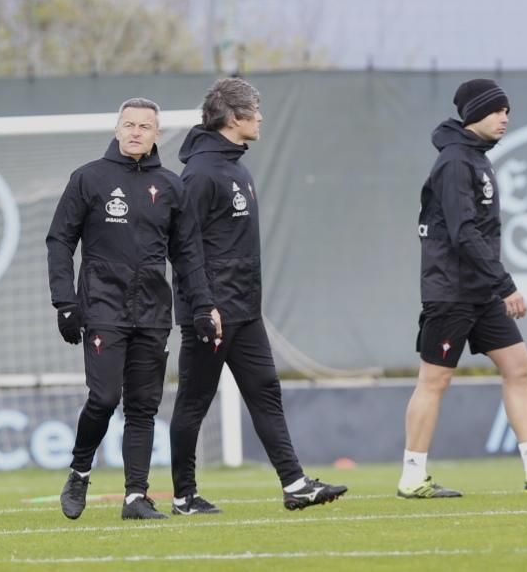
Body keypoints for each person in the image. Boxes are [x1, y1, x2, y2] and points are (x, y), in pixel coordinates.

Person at [398, 79, 527, 498]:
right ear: (474, 114)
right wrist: (505, 285)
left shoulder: (476, 158)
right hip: (451, 291)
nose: (505, 118)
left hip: (479, 291)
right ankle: (412, 476)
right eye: (497, 110)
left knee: (518, 366)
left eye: (508, 111)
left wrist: (493, 286)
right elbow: (463, 234)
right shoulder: (454, 162)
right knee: (434, 381)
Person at [168, 77, 347, 515]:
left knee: (266, 392)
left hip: (245, 312)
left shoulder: (236, 168)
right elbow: (185, 248)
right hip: (212, 313)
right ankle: (183, 496)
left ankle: (295, 484)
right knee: (194, 402)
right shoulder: (201, 174)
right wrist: (204, 307)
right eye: (255, 109)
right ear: (233, 117)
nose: (261, 117)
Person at [46, 97, 222, 520]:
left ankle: (135, 497)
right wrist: (65, 302)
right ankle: (80, 471)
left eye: (145, 125)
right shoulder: (89, 178)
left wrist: (202, 306)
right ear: (117, 129)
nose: (137, 131)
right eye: (129, 124)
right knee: (104, 397)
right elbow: (59, 240)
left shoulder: (172, 186)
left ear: (157, 133)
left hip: (153, 314)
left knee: (143, 406)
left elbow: (188, 256)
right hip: (103, 307)